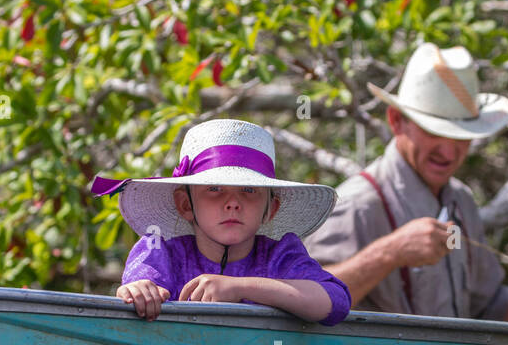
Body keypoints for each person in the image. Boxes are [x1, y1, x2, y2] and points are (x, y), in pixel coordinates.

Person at [308, 42, 508, 325]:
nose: (449, 151)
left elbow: (491, 307)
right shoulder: (356, 205)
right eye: (434, 132)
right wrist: (390, 252)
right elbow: (307, 301)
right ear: (396, 121)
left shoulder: (461, 201)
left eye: (460, 137)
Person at [92, 119, 351, 325]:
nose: (232, 203)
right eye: (214, 189)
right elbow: (138, 290)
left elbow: (335, 301)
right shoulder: (161, 252)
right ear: (185, 204)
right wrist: (138, 291)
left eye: (249, 191)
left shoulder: (280, 255)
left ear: (270, 209)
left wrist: (238, 287)